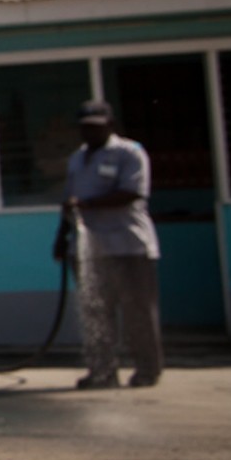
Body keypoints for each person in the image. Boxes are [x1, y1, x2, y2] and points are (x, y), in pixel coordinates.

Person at [64, 99, 163, 389]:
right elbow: (69, 203)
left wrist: (86, 203)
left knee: (137, 312)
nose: (90, 133)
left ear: (110, 125)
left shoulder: (129, 153)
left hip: (128, 245)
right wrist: (61, 237)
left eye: (96, 127)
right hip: (89, 248)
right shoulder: (77, 158)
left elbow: (131, 193)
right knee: (95, 310)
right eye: (84, 128)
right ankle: (102, 372)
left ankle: (147, 370)